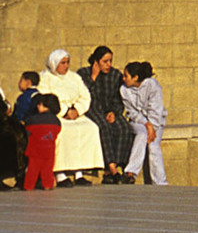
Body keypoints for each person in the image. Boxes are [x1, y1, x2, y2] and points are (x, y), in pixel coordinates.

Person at [38, 49, 103, 184]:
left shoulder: (74, 77)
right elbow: (47, 99)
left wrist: (77, 110)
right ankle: (60, 173)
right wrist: (65, 111)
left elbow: (85, 96)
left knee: (90, 128)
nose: (66, 66)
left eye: (67, 62)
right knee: (64, 132)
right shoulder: (44, 78)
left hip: (75, 114)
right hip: (56, 114)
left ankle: (79, 172)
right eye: (63, 63)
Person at [84, 47, 132, 183]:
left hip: (110, 111)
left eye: (110, 61)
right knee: (103, 128)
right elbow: (82, 94)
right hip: (92, 110)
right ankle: (111, 167)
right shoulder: (84, 73)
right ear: (96, 62)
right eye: (105, 61)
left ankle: (116, 165)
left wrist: (114, 112)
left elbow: (119, 99)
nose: (108, 65)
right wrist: (93, 77)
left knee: (124, 128)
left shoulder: (115, 75)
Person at [122, 61, 168, 185]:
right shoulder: (124, 90)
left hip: (156, 122)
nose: (123, 79)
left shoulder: (153, 86)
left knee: (153, 146)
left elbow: (156, 110)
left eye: (126, 76)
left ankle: (160, 182)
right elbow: (131, 112)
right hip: (138, 122)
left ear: (135, 77)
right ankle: (131, 173)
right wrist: (146, 125)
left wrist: (152, 127)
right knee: (141, 134)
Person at [22, 91, 60, 190]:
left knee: (33, 170)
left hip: (35, 150)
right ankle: (48, 185)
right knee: (47, 169)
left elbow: (27, 130)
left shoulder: (33, 120)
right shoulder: (56, 121)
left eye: (40, 104)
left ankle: (28, 186)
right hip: (49, 149)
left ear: (45, 106)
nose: (38, 106)